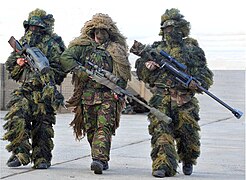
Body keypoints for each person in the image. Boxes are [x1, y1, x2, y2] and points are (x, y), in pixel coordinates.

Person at [132, 8, 214, 177]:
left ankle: (188, 159)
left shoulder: (192, 50)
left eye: (174, 28)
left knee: (187, 133)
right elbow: (142, 73)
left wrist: (196, 82)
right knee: (160, 131)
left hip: (184, 100)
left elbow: (204, 73)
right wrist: (148, 67)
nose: (170, 32)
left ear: (182, 29)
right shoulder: (156, 50)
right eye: (166, 29)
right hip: (161, 98)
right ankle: (163, 165)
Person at [60, 13, 131, 174]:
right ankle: (101, 156)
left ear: (109, 33)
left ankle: (98, 159)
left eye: (103, 32)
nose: (99, 35)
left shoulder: (115, 50)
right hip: (87, 95)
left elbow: (123, 73)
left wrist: (118, 90)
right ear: (92, 31)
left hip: (107, 95)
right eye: (97, 32)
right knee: (90, 129)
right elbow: (66, 58)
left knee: (103, 127)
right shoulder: (83, 46)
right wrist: (82, 71)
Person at [3, 8, 66, 169]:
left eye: (37, 27)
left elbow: (60, 70)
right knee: (16, 116)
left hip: (44, 90)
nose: (34, 30)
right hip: (26, 90)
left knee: (43, 126)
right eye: (31, 27)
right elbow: (11, 67)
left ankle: (41, 158)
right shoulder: (24, 42)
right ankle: (20, 152)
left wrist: (46, 74)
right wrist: (19, 63)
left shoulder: (52, 44)